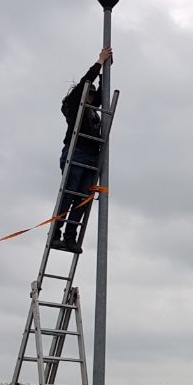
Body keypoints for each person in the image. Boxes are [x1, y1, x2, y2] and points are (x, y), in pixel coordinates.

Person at [50, 47, 112, 251]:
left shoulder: (91, 110)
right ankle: (55, 234)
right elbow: (86, 81)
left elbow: (102, 96)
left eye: (93, 95)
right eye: (89, 93)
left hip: (91, 158)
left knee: (83, 199)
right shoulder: (73, 104)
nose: (91, 97)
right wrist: (100, 62)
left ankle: (70, 237)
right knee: (68, 195)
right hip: (76, 153)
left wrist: (105, 73)